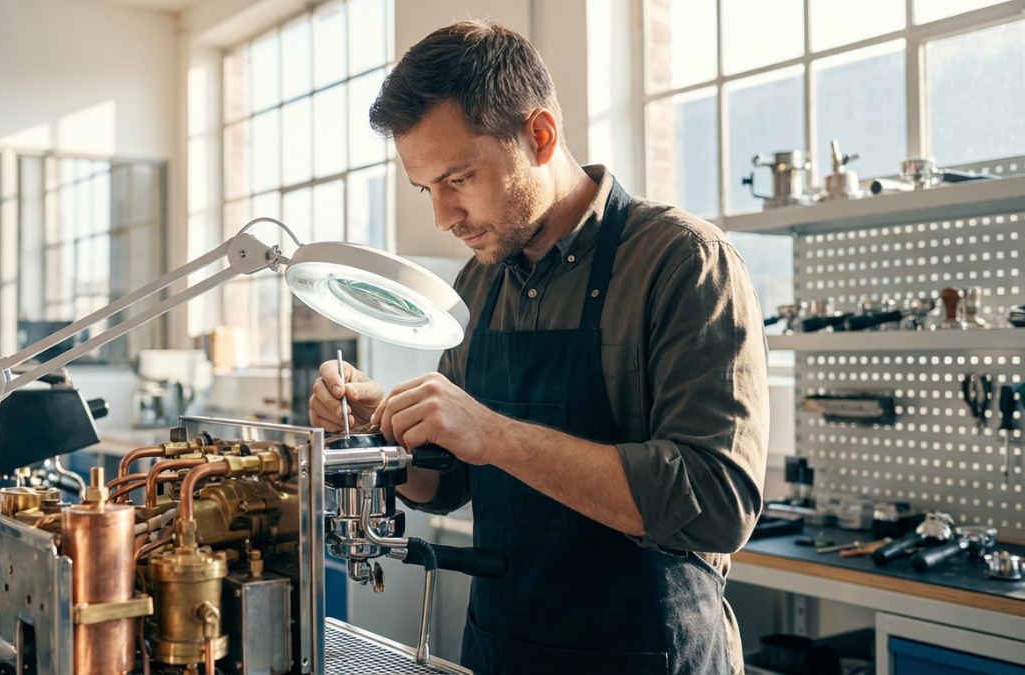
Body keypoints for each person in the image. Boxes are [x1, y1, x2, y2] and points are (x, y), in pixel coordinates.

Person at [309, 20, 768, 675]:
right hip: (503, 651)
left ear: (540, 135)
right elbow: (450, 482)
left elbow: (717, 504)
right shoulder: (481, 279)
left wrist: (495, 433)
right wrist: (386, 431)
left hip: (649, 656)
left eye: (457, 178)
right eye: (425, 189)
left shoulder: (684, 263)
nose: (443, 216)